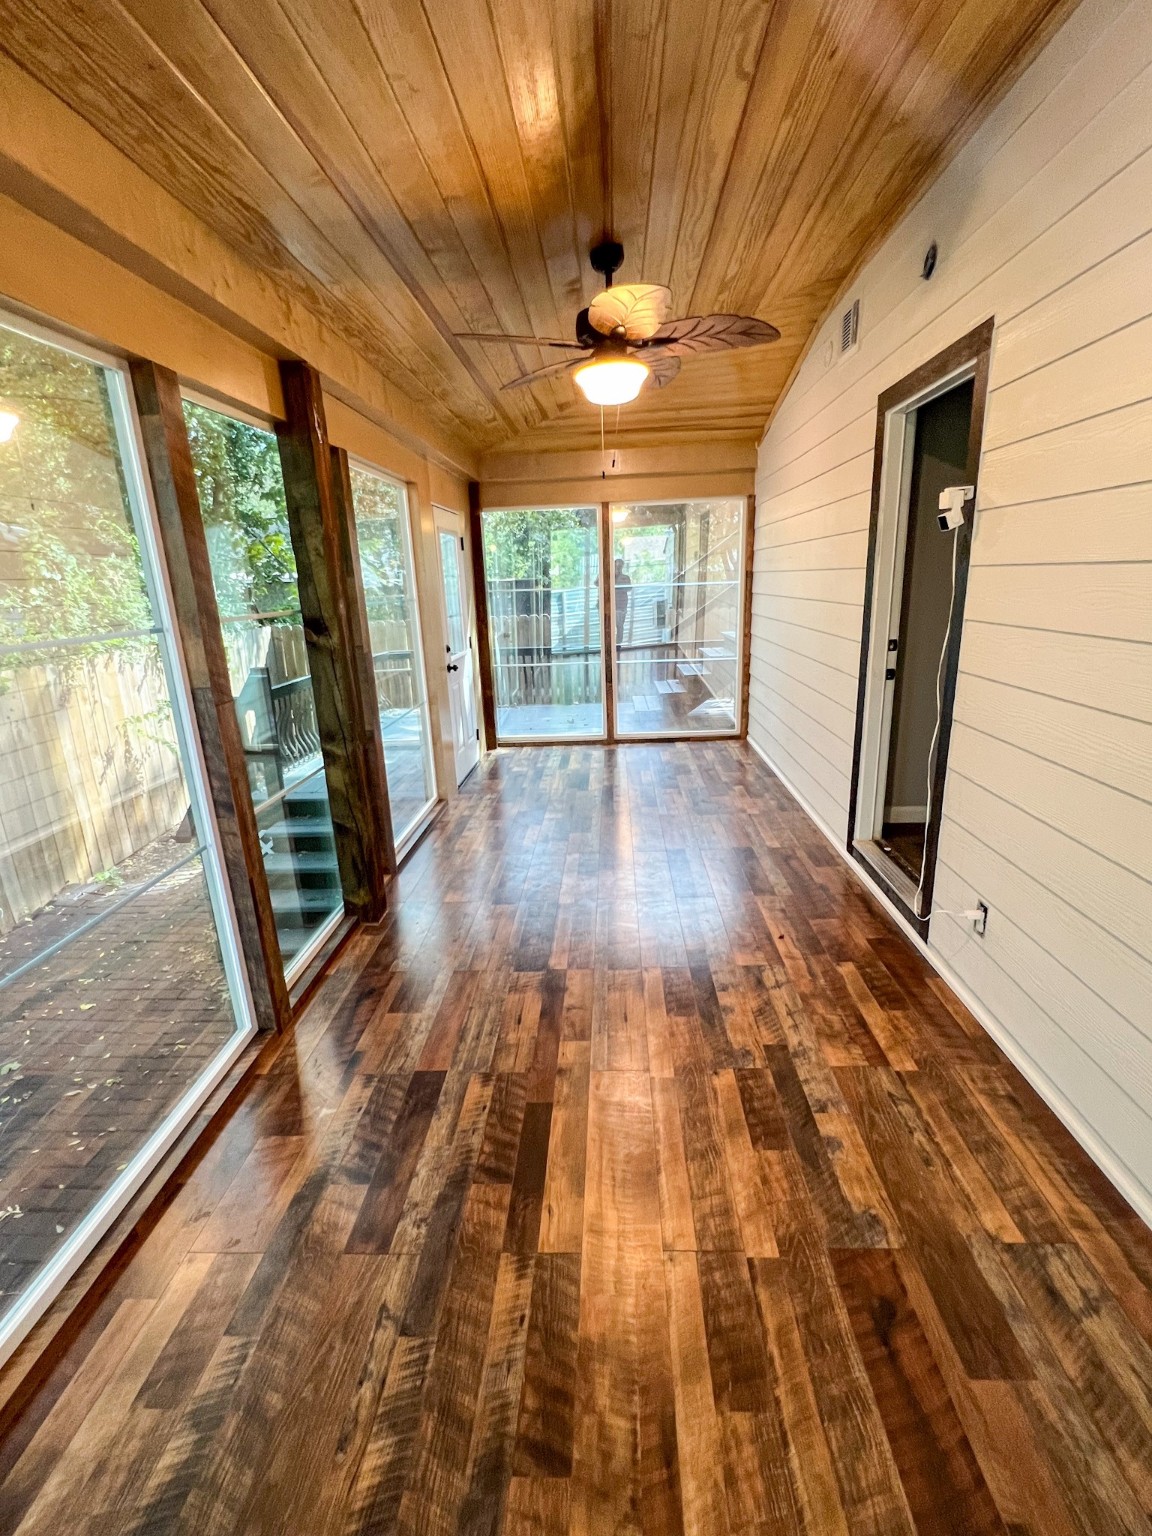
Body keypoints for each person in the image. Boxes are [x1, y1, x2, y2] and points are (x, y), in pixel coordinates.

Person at [614, 557, 632, 649]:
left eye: (620, 566)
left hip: (622, 605)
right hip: (611, 605)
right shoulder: (610, 576)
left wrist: (620, 586)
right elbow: (597, 583)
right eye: (617, 565)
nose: (618, 568)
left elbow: (629, 588)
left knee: (620, 625)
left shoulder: (625, 577)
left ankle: (618, 645)